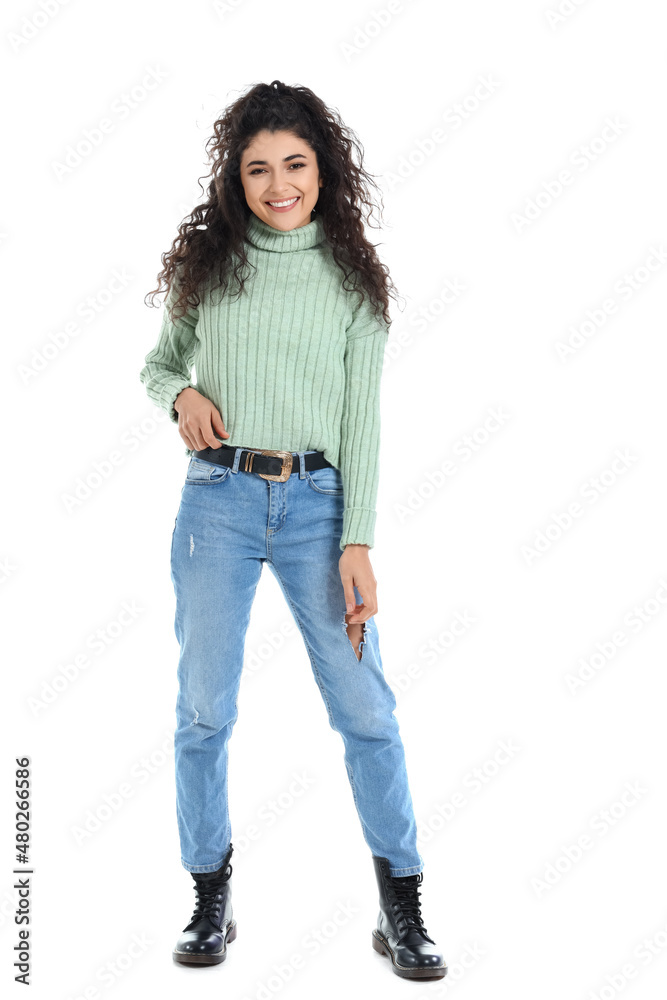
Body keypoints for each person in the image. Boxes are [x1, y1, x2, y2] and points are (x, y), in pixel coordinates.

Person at [139, 79, 446, 981]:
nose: (280, 185)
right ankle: (210, 893)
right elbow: (158, 367)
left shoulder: (355, 284)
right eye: (259, 168)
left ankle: (403, 904)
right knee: (204, 709)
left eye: (296, 166)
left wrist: (360, 541)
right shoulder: (207, 267)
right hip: (216, 502)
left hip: (318, 507)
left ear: (324, 171)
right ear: (236, 179)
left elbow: (364, 424)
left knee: (365, 711)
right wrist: (181, 396)